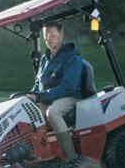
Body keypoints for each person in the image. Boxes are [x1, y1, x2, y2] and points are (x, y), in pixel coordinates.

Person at [30, 21, 84, 159]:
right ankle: (40, 156)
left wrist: (46, 96)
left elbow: (68, 86)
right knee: (28, 113)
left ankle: (71, 157)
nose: (49, 38)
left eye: (53, 35)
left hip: (71, 96)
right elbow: (38, 83)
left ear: (61, 35)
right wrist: (32, 94)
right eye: (46, 35)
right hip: (51, 97)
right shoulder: (45, 58)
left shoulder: (72, 57)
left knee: (52, 112)